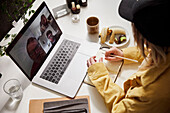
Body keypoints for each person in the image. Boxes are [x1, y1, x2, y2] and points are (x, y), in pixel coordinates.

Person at [87, 0, 170, 113]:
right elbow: (159, 49)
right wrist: (125, 54)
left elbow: (119, 110)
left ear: (143, 37)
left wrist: (100, 76)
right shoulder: (165, 44)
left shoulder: (152, 94)